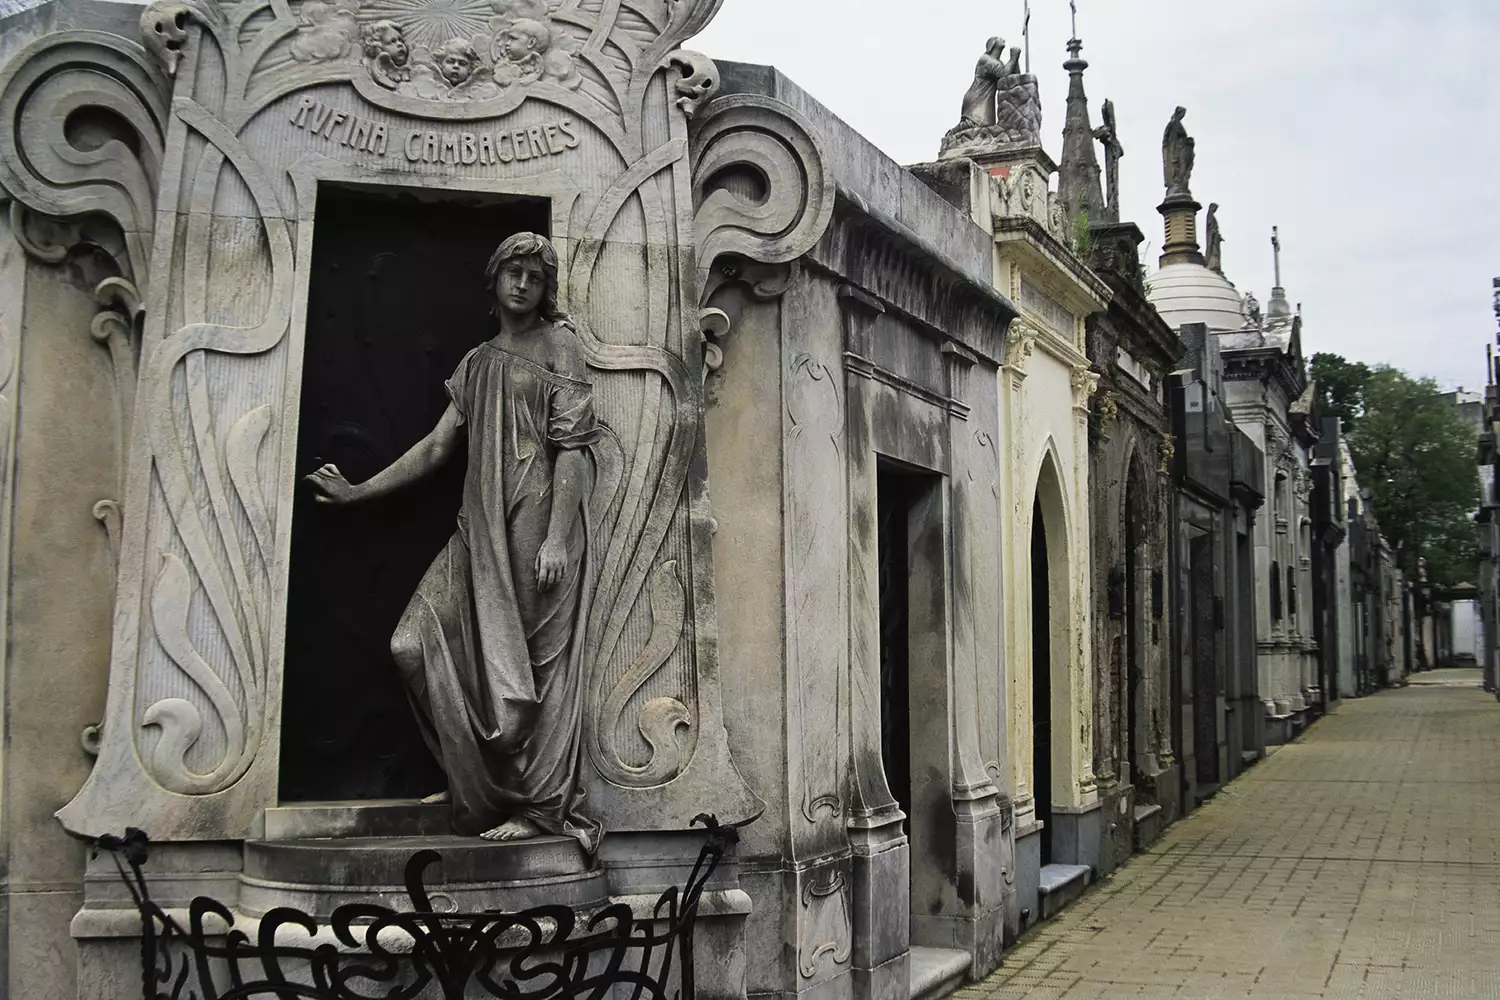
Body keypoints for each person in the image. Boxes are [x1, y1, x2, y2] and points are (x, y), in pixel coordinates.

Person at [306, 233, 602, 850]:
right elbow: (439, 447)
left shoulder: (561, 346)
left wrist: (556, 537)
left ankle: (537, 808)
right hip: (479, 527)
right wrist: (360, 491)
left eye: (535, 277)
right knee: (412, 644)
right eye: (513, 272)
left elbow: (572, 448)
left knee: (528, 677)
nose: (523, 284)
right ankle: (473, 778)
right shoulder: (476, 361)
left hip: (533, 522)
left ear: (546, 291)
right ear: (493, 279)